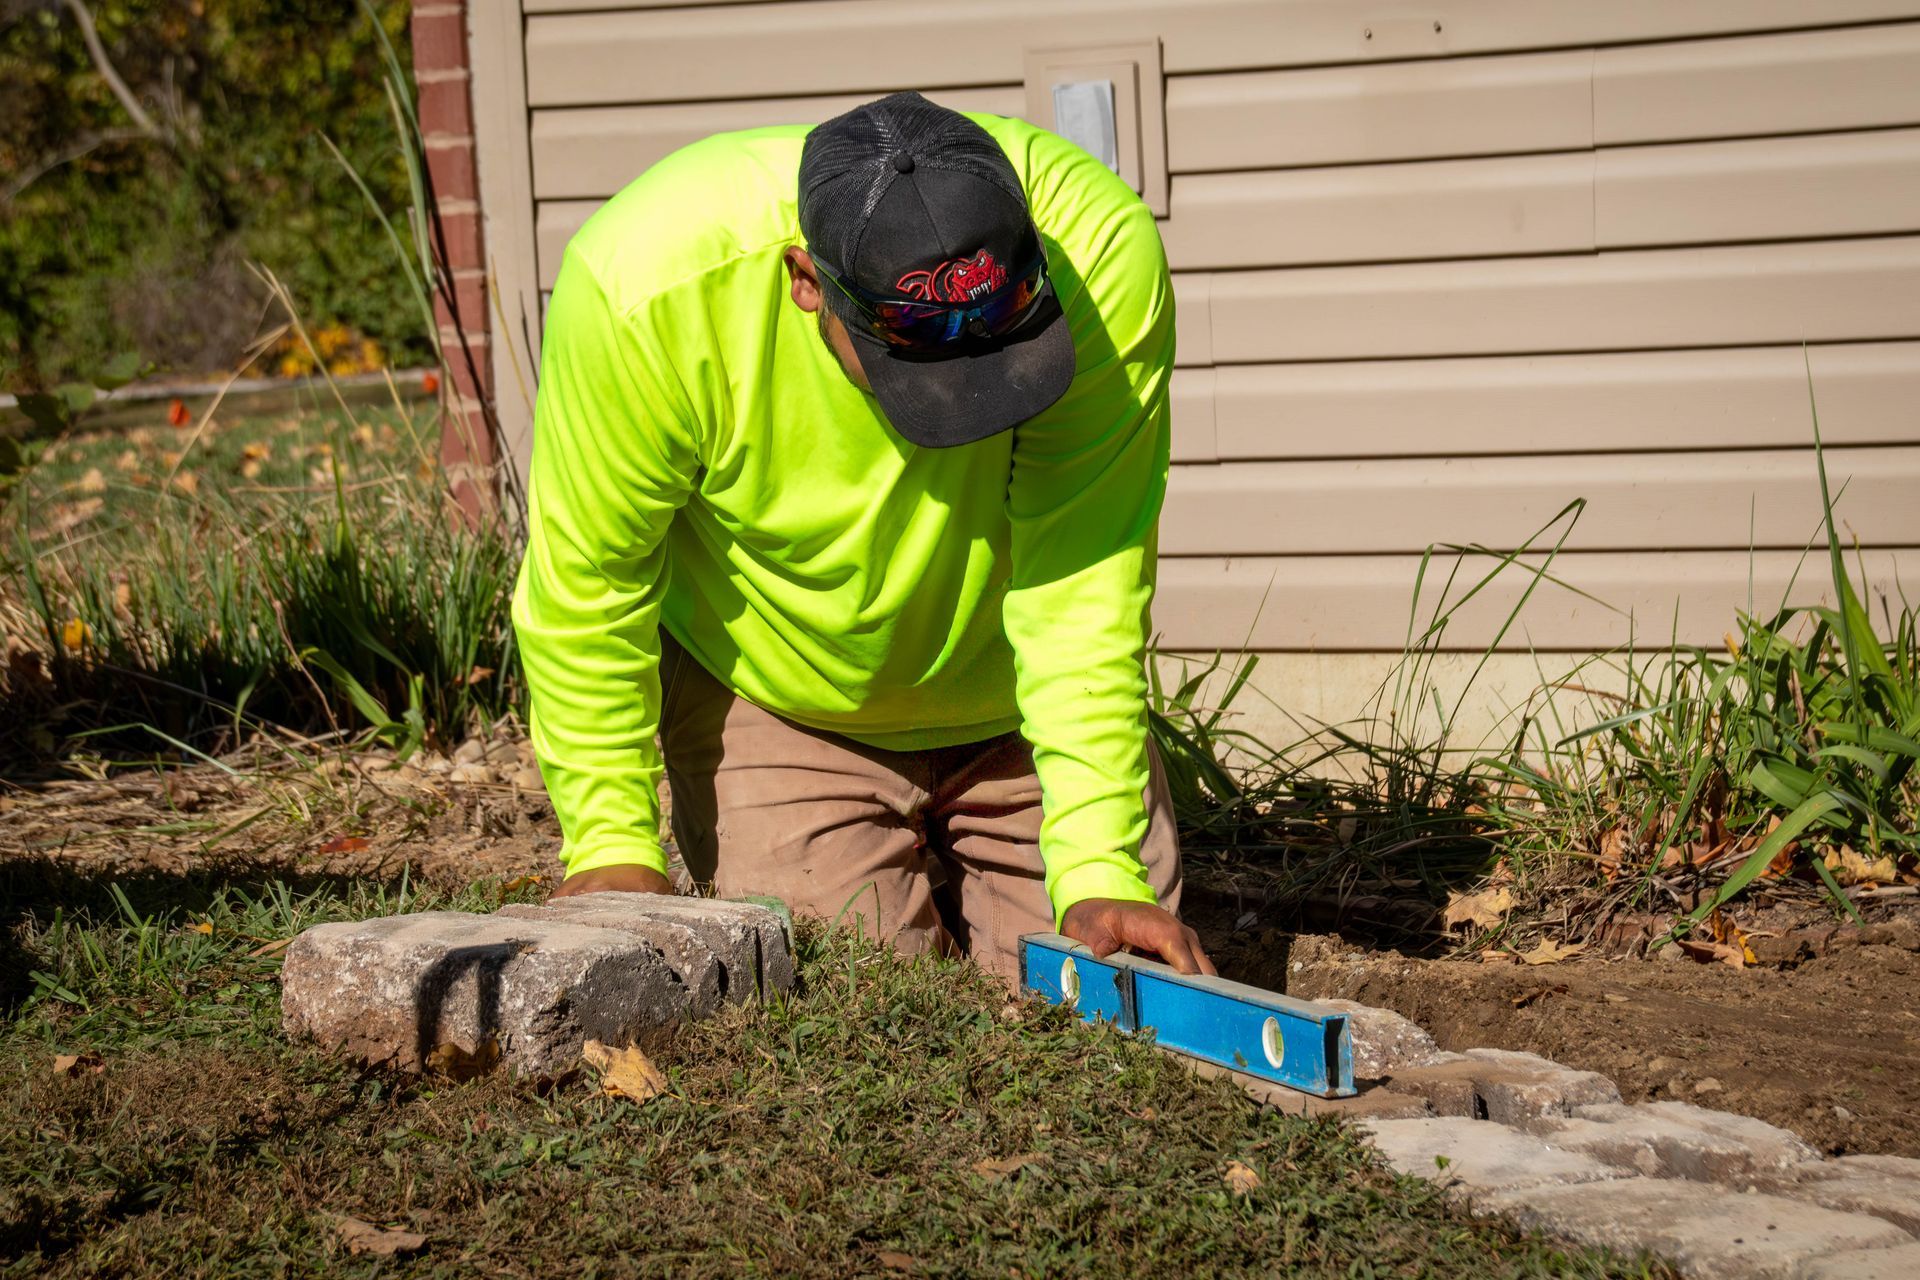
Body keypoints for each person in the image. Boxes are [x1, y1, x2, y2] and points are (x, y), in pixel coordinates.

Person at [512, 91, 1213, 983]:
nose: (970, 391)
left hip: (1023, 716)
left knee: (1112, 1006)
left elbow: (1083, 577)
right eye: (920, 361)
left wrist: (1101, 865)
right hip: (781, 706)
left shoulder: (1101, 260)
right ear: (808, 283)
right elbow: (591, 588)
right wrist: (611, 846)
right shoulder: (648, 289)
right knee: (850, 1005)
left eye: (999, 345)